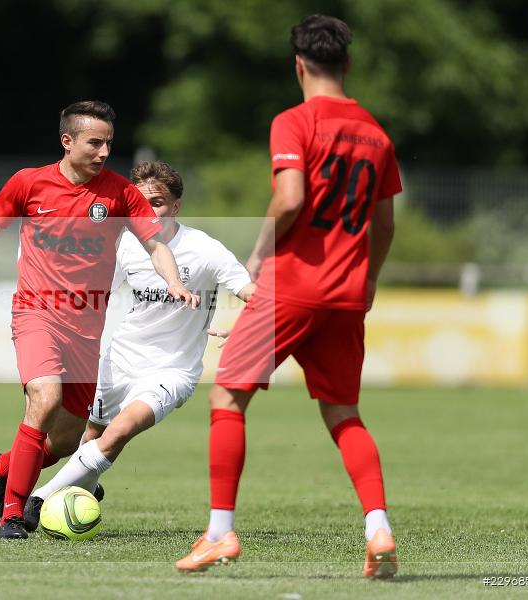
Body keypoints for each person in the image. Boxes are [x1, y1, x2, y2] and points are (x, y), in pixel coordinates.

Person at [174, 15, 402, 578]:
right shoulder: (377, 134)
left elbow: (290, 197)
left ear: (298, 64)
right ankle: (378, 527)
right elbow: (385, 223)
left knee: (227, 397)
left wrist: (256, 255)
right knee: (345, 414)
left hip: (292, 286)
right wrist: (368, 280)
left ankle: (220, 533)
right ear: (347, 64)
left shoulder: (293, 122)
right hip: (346, 294)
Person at [0, 101, 199, 540]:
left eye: (109, 142)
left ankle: (2, 467)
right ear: (67, 141)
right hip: (36, 314)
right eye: (95, 142)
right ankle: (13, 513)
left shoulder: (120, 193)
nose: (105, 151)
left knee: (68, 440)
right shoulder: (28, 183)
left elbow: (156, 244)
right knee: (45, 397)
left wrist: (174, 282)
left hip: (86, 329)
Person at [21, 160, 255, 530]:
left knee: (119, 432)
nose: (149, 210)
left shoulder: (205, 250)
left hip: (172, 370)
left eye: (158, 202)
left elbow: (254, 295)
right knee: (92, 437)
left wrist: (245, 327)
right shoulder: (125, 245)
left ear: (176, 206)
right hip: (119, 360)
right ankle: (85, 487)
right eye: (142, 202)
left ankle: (38, 500)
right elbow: (89, 292)